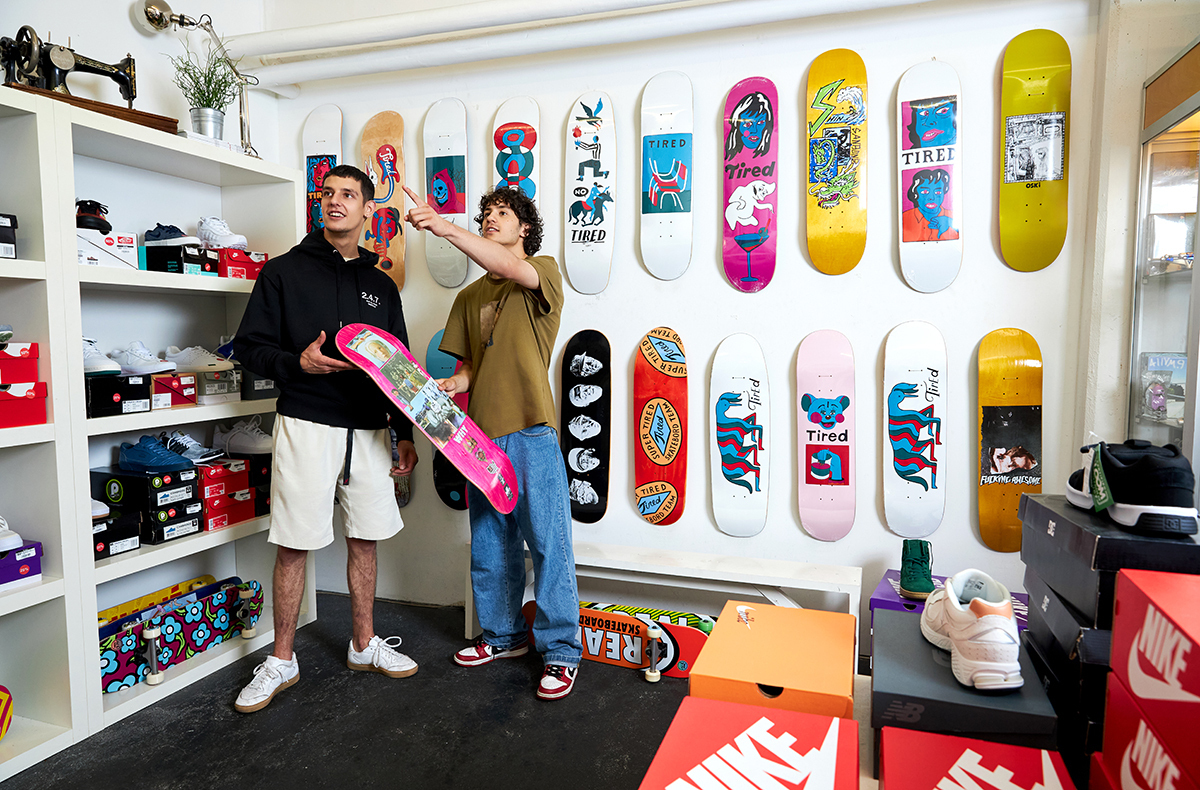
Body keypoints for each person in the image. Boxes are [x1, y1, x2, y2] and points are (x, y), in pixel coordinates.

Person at [230, 164, 420, 713]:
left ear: (367, 210)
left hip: (369, 429)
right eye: (328, 193)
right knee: (294, 541)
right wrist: (297, 363)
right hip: (307, 420)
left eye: (348, 195)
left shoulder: (381, 284)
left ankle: (364, 645)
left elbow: (399, 368)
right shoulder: (283, 273)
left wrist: (402, 432)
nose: (335, 201)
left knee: (367, 536)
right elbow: (248, 347)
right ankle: (282, 659)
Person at [403, 183, 583, 700]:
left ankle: (562, 651)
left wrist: (443, 225)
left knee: (549, 544)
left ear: (524, 227)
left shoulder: (542, 271)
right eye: (484, 214)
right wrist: (448, 386)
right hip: (478, 438)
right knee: (490, 543)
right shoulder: (469, 297)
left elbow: (508, 268)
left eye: (501, 213)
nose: (490, 219)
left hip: (531, 428)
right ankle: (504, 636)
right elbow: (468, 371)